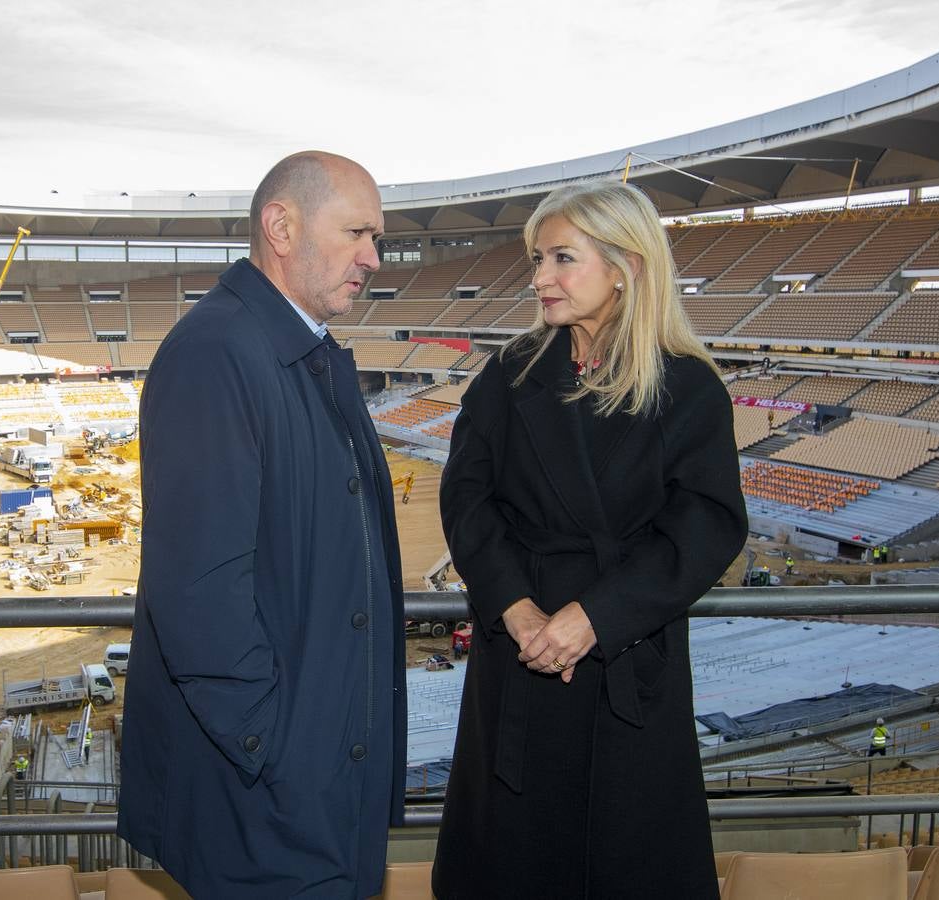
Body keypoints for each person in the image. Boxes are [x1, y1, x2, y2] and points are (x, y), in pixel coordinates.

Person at [433, 181, 748, 899]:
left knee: (624, 860)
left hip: (626, 665)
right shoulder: (509, 373)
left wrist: (594, 618)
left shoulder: (689, 386)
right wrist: (514, 606)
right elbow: (466, 497)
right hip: (519, 657)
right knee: (509, 860)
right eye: (537, 259)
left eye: (561, 258)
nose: (539, 278)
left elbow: (705, 523)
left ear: (624, 266)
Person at [118, 151, 406, 899]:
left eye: (374, 238)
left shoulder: (292, 352)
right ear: (280, 225)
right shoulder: (216, 354)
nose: (373, 258)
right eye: (355, 233)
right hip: (270, 794)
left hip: (309, 782)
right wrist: (275, 745)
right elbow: (198, 591)